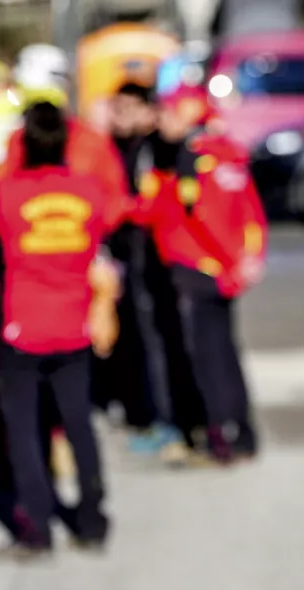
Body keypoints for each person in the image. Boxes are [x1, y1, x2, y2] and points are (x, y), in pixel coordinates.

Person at [0, 102, 123, 559]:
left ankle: (37, 528)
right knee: (79, 424)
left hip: (24, 324)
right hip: (74, 323)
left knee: (23, 429)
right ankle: (93, 520)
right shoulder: (88, 191)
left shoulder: (6, 193)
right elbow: (103, 231)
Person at [135, 82, 268, 465]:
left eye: (166, 112)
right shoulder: (228, 152)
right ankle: (243, 435)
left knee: (207, 357)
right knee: (226, 351)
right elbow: (251, 213)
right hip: (225, 269)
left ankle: (218, 439)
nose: (160, 120)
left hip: (199, 267)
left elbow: (202, 214)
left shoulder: (191, 157)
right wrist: (249, 259)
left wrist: (230, 262)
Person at [102, 81, 204, 455]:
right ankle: (151, 415)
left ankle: (174, 423)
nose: (120, 116)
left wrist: (126, 209)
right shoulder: (124, 147)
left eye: (129, 108)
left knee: (165, 344)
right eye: (117, 108)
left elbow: (159, 203)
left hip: (160, 263)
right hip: (135, 259)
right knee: (140, 343)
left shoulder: (159, 149)